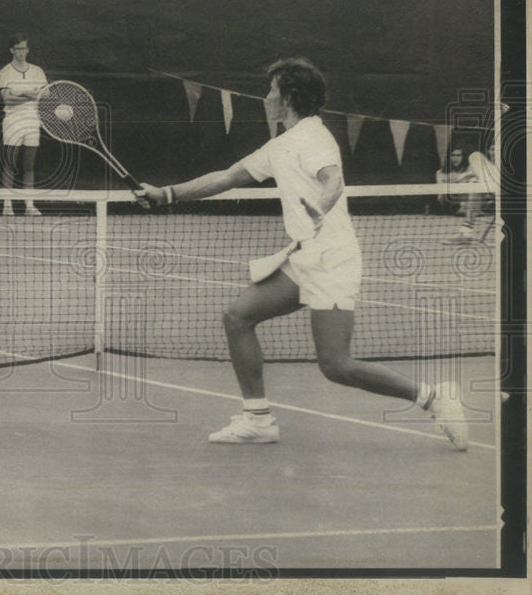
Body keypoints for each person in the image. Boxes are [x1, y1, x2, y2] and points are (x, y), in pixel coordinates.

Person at [134, 57, 468, 449]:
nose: (267, 96)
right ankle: (257, 419)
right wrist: (166, 194)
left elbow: (333, 180)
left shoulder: (314, 138)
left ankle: (434, 398)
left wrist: (321, 206)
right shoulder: (281, 144)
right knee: (237, 317)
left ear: (288, 96)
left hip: (331, 257)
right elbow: (226, 177)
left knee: (336, 365)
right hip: (303, 255)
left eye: (272, 89)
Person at [0, 33, 47, 216]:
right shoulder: (5, 72)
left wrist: (18, 94)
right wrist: (30, 93)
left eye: (24, 48)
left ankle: (29, 205)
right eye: (17, 49)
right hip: (12, 122)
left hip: (33, 122)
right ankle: (7, 205)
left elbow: (45, 95)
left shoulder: (37, 71)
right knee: (10, 164)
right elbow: (7, 100)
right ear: (12, 50)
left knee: (29, 165)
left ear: (28, 50)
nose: (21, 52)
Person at [442, 143, 497, 245]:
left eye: (498, 150)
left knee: (476, 182)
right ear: (489, 151)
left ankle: (466, 232)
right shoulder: (488, 168)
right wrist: (464, 175)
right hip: (492, 189)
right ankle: (466, 233)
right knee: (475, 157)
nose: (494, 152)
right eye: (492, 149)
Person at [435, 146, 477, 215]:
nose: (455, 158)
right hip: (449, 201)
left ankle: (466, 209)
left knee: (473, 180)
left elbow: (477, 173)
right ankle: (462, 209)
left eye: (458, 155)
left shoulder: (469, 168)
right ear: (449, 157)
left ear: (463, 157)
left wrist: (462, 176)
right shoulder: (440, 172)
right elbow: (440, 195)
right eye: (453, 155)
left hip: (466, 201)